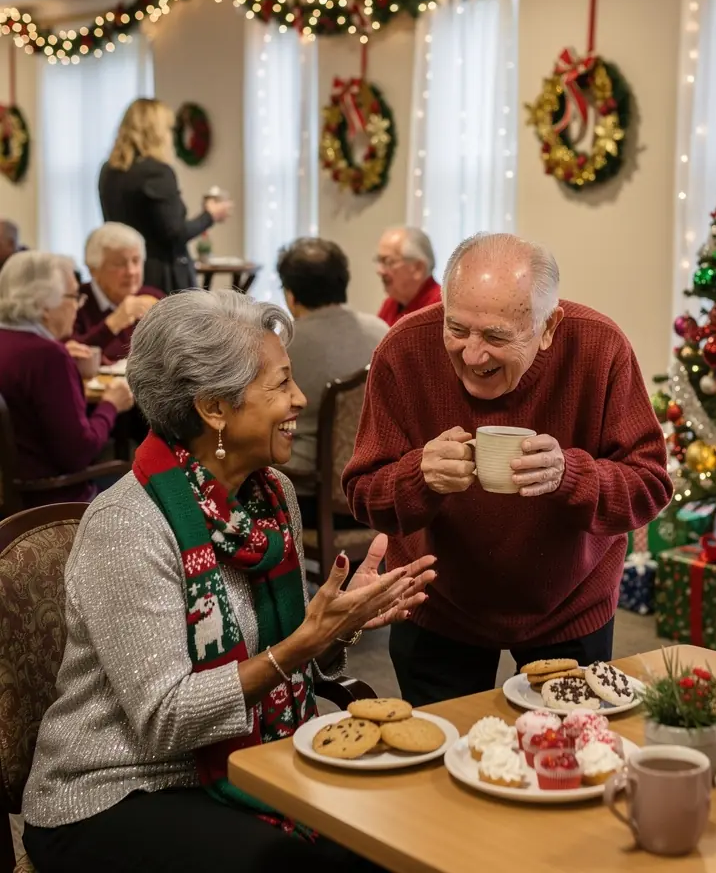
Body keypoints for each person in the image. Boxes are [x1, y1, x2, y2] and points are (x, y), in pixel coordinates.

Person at [21, 289, 436, 872]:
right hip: (119, 786)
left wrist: (340, 624)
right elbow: (165, 719)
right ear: (215, 409)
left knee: (394, 836)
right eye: (281, 384)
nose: (299, 399)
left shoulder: (272, 496)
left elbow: (289, 663)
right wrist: (302, 645)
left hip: (252, 759)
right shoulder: (129, 525)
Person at [343, 232, 672, 706]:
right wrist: (418, 479)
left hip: (570, 603)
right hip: (437, 603)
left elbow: (650, 485)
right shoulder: (405, 348)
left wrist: (570, 476)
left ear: (550, 327)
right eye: (456, 330)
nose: (473, 355)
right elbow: (362, 493)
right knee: (438, 763)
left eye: (497, 337)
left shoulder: (600, 348)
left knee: (565, 758)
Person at [0, 252, 134, 507]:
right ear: (43, 305)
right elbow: (79, 453)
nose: (78, 305)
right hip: (51, 499)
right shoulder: (46, 357)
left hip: (9, 494)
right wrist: (111, 404)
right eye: (73, 296)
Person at [99, 98, 232, 295]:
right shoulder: (158, 172)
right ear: (157, 132)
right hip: (160, 277)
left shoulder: (108, 171)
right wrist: (210, 215)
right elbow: (174, 233)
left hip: (122, 272)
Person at [277, 237, 387, 474]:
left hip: (303, 476)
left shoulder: (284, 346)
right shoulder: (381, 332)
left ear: (290, 295)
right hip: (372, 471)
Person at [73, 222, 164, 362]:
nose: (131, 272)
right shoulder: (74, 302)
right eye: (119, 264)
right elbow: (72, 355)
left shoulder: (154, 298)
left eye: (136, 261)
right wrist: (113, 323)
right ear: (94, 269)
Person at [375, 226, 442, 327]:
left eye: (388, 261)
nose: (380, 271)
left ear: (418, 268)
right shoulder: (390, 304)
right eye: (380, 261)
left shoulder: (439, 309)